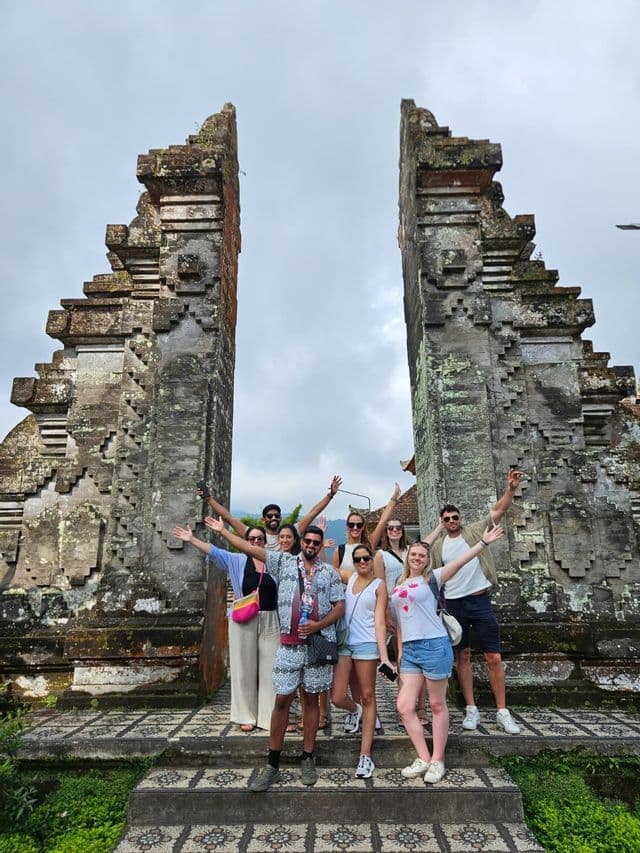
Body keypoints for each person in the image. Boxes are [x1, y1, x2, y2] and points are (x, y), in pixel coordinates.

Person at [204, 516, 345, 792]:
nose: (312, 546)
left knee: (312, 700)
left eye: (317, 543)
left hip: (316, 643)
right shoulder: (283, 562)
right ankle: (272, 762)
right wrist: (224, 532)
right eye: (308, 541)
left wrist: (318, 625)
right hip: (289, 644)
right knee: (282, 698)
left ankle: (307, 756)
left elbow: (340, 607)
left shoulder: (329, 572)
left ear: (319, 547)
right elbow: (251, 549)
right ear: (301, 543)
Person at [383, 527, 504, 784]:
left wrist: (483, 542)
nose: (416, 558)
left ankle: (438, 759)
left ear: (428, 560)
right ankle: (423, 757)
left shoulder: (434, 577)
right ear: (407, 558)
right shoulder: (400, 583)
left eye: (422, 556)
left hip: (434, 646)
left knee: (437, 705)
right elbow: (402, 620)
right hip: (412, 651)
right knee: (405, 707)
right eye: (413, 554)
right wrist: (401, 651)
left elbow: (462, 560)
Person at [425, 470, 524, 734]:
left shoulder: (475, 531)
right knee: (463, 656)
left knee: (493, 655)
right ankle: (471, 709)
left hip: (480, 601)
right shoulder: (439, 547)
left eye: (455, 517)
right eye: (446, 519)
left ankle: (502, 711)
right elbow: (425, 563)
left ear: (461, 519)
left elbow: (498, 510)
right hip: (454, 605)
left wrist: (511, 489)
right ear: (443, 523)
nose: (452, 521)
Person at [172, 524, 277, 732]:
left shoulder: (274, 562)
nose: (255, 542)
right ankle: (246, 715)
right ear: (245, 542)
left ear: (265, 542)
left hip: (271, 619)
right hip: (244, 618)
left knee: (271, 670)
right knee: (243, 669)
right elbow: (214, 551)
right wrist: (192, 539)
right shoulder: (237, 560)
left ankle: (270, 716)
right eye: (252, 539)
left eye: (259, 539)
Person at [333, 483, 401, 732]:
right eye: (351, 525)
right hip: (348, 613)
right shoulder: (340, 551)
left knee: (367, 681)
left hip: (369, 608)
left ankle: (371, 713)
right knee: (350, 675)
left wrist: (393, 499)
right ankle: (359, 711)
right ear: (346, 527)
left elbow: (382, 523)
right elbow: (333, 577)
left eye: (358, 525)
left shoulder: (368, 546)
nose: (354, 528)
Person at [330, 544, 387, 778]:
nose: (362, 562)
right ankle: (356, 710)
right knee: (338, 696)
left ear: (372, 560)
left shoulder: (379, 586)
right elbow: (328, 569)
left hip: (366, 645)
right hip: (345, 643)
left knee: (368, 695)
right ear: (353, 562)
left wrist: (384, 656)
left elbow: (380, 622)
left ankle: (365, 756)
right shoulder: (350, 576)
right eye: (358, 559)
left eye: (366, 558)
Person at [374, 519, 428, 726]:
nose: (394, 530)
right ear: (386, 532)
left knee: (419, 658)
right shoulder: (381, 555)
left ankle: (421, 708)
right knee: (403, 660)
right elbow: (380, 585)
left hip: (415, 609)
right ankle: (405, 708)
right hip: (395, 609)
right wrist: (386, 613)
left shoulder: (411, 551)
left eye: (398, 527)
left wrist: (441, 526)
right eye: (390, 528)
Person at [198, 476, 342, 550]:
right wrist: (209, 499)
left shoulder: (289, 534)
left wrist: (330, 495)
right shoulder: (255, 536)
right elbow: (229, 517)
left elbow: (312, 513)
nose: (273, 518)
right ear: (263, 519)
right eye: (270, 516)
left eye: (277, 515)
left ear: (280, 518)